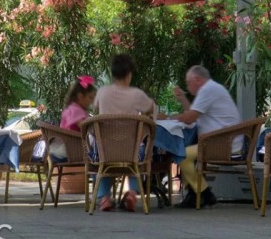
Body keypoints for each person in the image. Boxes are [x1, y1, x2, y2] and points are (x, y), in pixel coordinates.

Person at [167, 65, 240, 208]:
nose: (188, 87)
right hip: (221, 141)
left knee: (182, 155)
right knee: (184, 149)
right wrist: (182, 99)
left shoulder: (208, 90)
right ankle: (194, 196)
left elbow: (190, 118)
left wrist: (168, 118)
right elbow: (192, 114)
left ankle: (205, 193)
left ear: (198, 79)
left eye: (188, 83)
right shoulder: (210, 89)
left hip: (222, 144)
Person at [92, 54, 156, 212]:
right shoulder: (137, 94)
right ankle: (132, 193)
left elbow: (95, 109)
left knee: (100, 161)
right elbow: (150, 109)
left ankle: (104, 197)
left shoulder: (102, 92)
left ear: (113, 74)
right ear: (129, 75)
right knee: (138, 155)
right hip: (131, 152)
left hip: (105, 151)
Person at [48, 75, 96, 162]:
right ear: (80, 96)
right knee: (98, 153)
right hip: (70, 150)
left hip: (68, 148)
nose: (92, 101)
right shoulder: (75, 110)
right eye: (90, 97)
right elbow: (84, 126)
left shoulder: (73, 108)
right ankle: (98, 174)